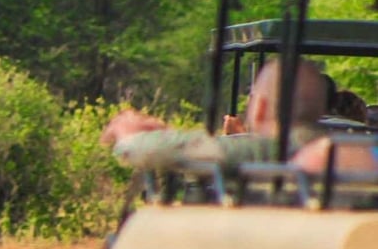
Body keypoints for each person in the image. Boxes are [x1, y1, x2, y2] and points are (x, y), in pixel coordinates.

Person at [101, 59, 327, 171]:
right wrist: (167, 132)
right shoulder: (336, 149)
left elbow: (159, 151)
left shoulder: (273, 151)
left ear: (260, 109)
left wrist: (129, 133)